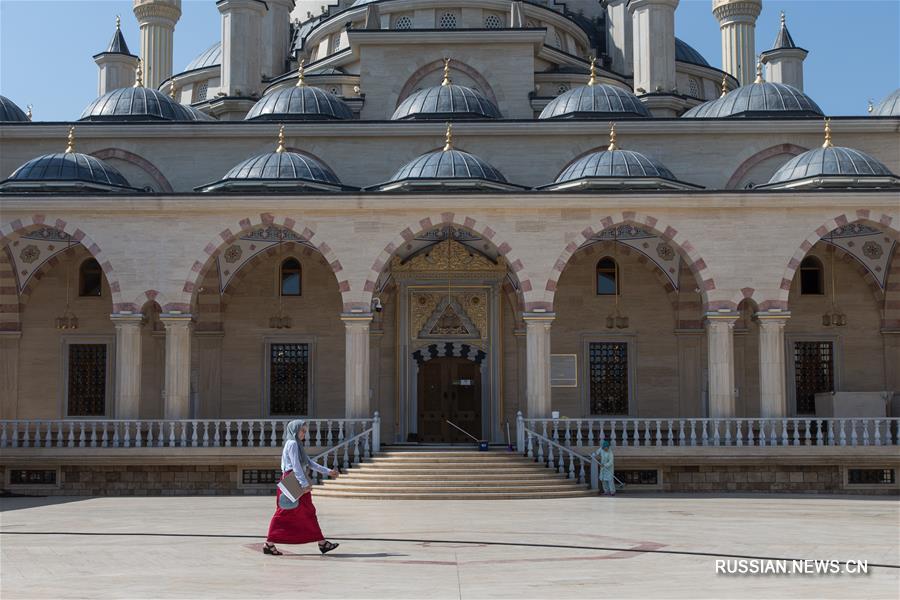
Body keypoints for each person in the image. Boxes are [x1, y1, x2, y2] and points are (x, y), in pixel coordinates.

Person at [264, 419, 340, 556]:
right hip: (292, 480)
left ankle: (322, 543)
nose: (304, 433)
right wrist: (304, 485)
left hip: (295, 479)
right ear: (295, 430)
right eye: (302, 430)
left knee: (308, 511)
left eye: (305, 431)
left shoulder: (297, 445)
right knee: (284, 512)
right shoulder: (292, 444)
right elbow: (296, 466)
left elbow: (309, 463)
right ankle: (269, 544)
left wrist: (328, 471)